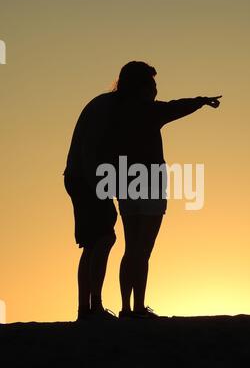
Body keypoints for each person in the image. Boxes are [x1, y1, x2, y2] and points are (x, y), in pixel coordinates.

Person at [109, 61, 222, 319]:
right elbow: (176, 108)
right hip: (149, 180)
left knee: (131, 247)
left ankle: (126, 307)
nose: (156, 89)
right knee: (143, 249)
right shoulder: (148, 111)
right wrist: (202, 100)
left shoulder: (117, 112)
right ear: (143, 86)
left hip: (123, 179)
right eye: (153, 83)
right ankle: (137, 308)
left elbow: (174, 107)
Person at [64, 91, 118, 321]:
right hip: (87, 178)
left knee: (93, 242)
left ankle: (85, 309)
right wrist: (99, 185)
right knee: (104, 238)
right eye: (151, 88)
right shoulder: (108, 107)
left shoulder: (105, 103)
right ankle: (94, 307)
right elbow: (90, 148)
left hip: (81, 177)